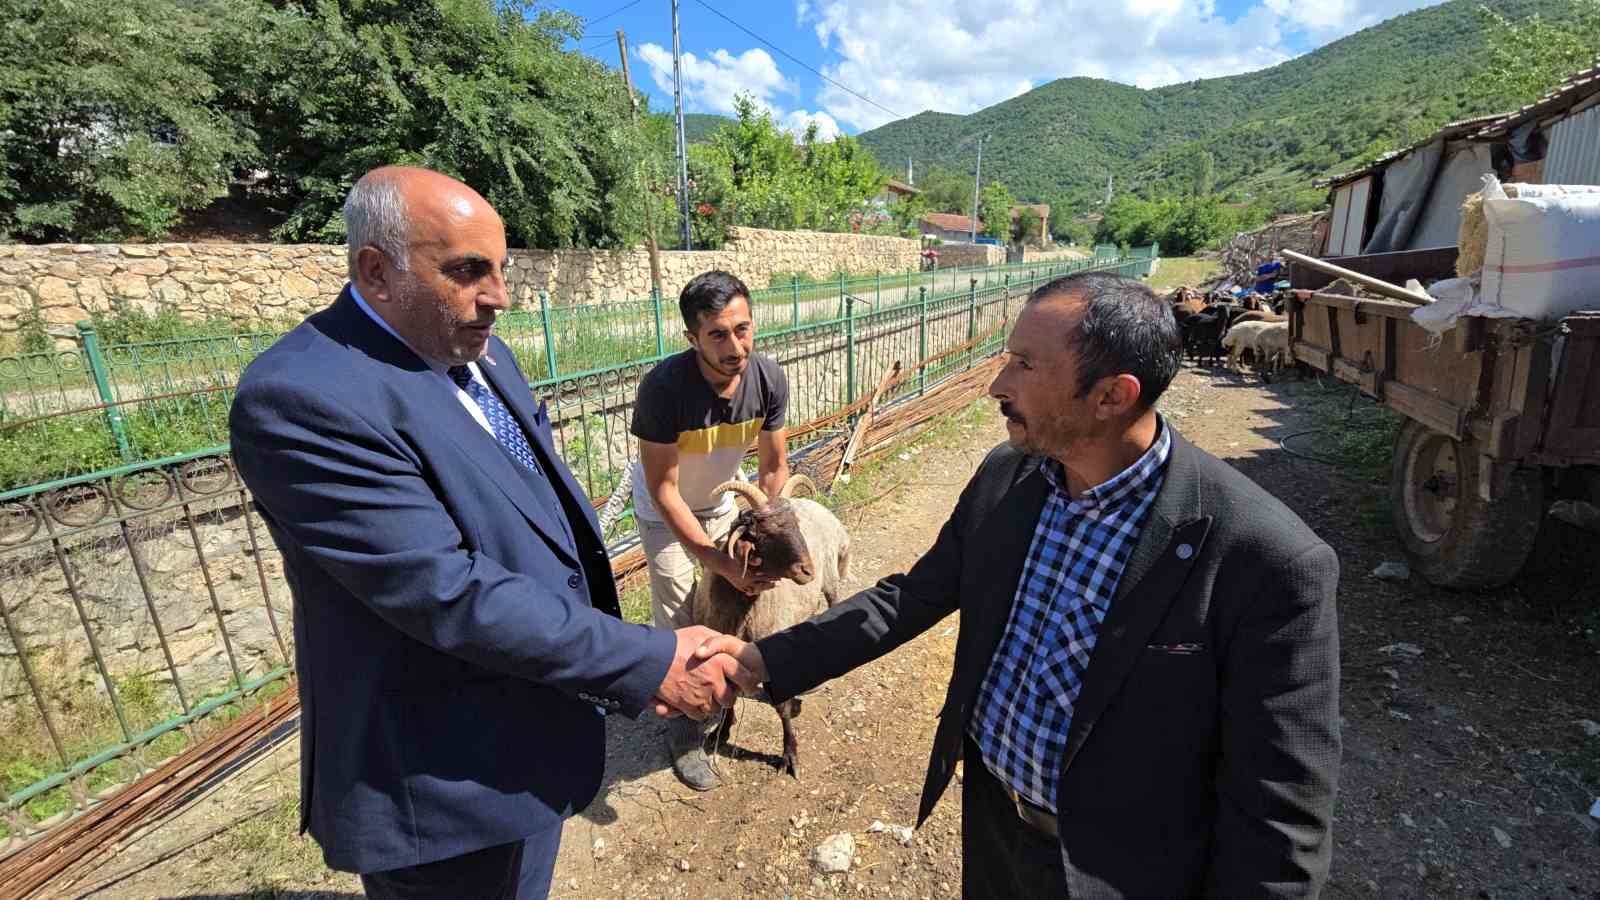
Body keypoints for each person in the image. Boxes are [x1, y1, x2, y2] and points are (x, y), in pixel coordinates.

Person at [695, 272, 1342, 897]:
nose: (996, 384)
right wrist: (763, 658)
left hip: (1118, 874)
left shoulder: (1267, 563)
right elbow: (909, 598)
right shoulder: (1011, 477)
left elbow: (1279, 827)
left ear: (1113, 395)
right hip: (993, 832)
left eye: (1025, 366)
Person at [228, 166, 740, 900]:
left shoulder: (478, 351)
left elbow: (534, 516)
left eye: (500, 269)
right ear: (377, 271)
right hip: (443, 778)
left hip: (534, 723)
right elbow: (445, 590)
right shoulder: (304, 398)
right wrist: (645, 656)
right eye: (469, 271)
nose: (499, 296)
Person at [629, 270, 790, 790]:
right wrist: (711, 557)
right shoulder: (664, 389)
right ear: (692, 338)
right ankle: (685, 731)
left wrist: (765, 529)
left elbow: (773, 467)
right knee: (680, 619)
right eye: (717, 334)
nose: (735, 345)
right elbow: (664, 490)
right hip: (666, 511)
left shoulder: (767, 380)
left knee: (728, 608)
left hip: (724, 501)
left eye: (742, 329)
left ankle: (721, 695)